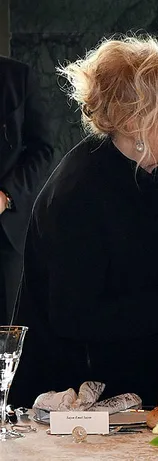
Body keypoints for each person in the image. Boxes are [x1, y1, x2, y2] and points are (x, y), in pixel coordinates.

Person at [11, 37, 158, 407]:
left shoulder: (151, 172)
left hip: (124, 391)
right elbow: (74, 317)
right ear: (135, 121)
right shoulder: (81, 192)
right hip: (64, 402)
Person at [0, 57, 53, 324]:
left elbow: (42, 150)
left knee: (8, 332)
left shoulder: (18, 76)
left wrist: (6, 195)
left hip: (6, 233)